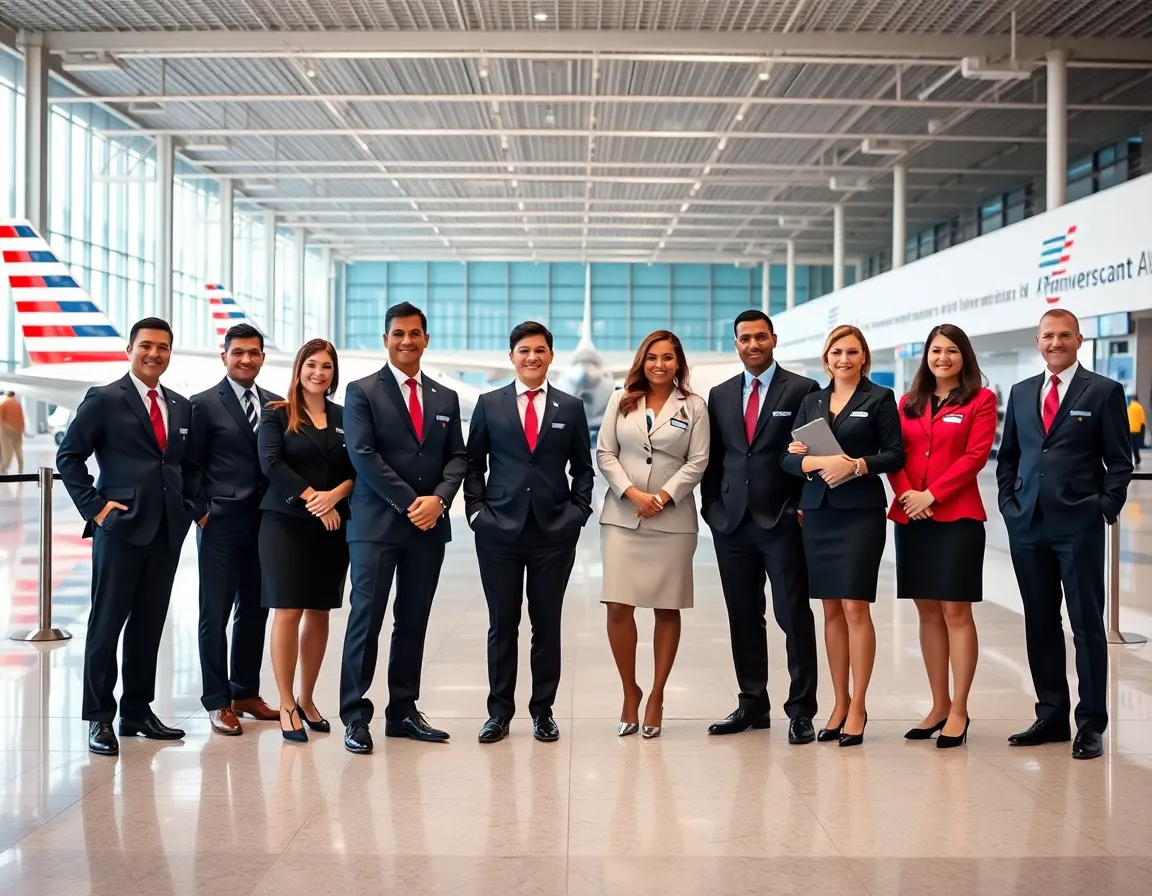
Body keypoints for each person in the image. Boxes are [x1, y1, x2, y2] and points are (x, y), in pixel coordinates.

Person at [56, 318, 199, 756]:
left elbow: (184, 465)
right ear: (130, 349)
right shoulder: (104, 399)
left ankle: (137, 711)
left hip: (166, 530)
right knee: (106, 623)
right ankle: (100, 717)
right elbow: (69, 457)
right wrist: (96, 508)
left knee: (149, 624)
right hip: (119, 529)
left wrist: (188, 507)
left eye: (163, 347)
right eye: (146, 346)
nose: (154, 354)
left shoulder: (180, 404)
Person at [996, 309, 1132, 760]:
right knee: (1040, 621)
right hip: (1027, 524)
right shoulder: (1020, 393)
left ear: (1079, 339)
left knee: (1086, 625)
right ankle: (1051, 714)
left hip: (1078, 526)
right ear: (1038, 340)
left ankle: (1090, 723)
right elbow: (1009, 456)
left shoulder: (1103, 391)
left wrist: (1106, 506)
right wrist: (1009, 505)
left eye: (1064, 335)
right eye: (1048, 335)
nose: (1056, 342)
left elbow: (1120, 459)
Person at [339, 302, 466, 754]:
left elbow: (458, 457)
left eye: (415, 333)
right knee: (366, 621)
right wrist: (415, 502)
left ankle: (403, 711)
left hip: (427, 528)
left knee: (413, 621)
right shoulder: (361, 392)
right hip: (376, 525)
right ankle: (355, 715)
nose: (407, 341)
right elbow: (363, 454)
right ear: (386, 339)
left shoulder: (444, 397)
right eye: (398, 334)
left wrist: (441, 499)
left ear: (426, 339)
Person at [465, 321, 595, 744]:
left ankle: (543, 711)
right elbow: (473, 465)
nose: (532, 357)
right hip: (497, 529)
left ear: (551, 356)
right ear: (512, 357)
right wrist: (475, 513)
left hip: (553, 530)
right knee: (502, 625)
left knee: (546, 624)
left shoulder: (570, 407)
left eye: (540, 350)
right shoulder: (489, 403)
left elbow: (583, 467)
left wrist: (577, 512)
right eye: (524, 350)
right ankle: (499, 712)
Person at [700, 310, 820, 744]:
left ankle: (801, 709)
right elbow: (715, 457)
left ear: (773, 340)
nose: (752, 344)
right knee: (743, 616)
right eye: (744, 338)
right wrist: (711, 507)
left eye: (759, 337)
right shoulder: (720, 394)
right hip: (731, 523)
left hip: (782, 519)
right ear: (736, 344)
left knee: (793, 615)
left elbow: (814, 452)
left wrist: (801, 506)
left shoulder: (803, 389)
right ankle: (753, 703)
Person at [783, 325, 904, 747]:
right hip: (817, 513)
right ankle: (838, 701)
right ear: (826, 357)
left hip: (858, 514)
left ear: (864, 357)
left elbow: (894, 453)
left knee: (855, 607)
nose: (844, 359)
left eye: (852, 352)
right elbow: (787, 457)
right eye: (837, 352)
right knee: (830, 610)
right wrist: (801, 461)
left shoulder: (879, 399)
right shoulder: (811, 400)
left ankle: (859, 705)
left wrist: (854, 465)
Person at [595, 330, 709, 738]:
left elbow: (698, 461)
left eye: (668, 357)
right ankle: (631, 691)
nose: (659, 364)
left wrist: (661, 496)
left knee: (666, 606)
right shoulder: (620, 399)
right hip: (623, 516)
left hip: (671, 520)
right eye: (652, 357)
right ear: (642, 361)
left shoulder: (694, 406)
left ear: (679, 363)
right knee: (618, 607)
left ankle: (658, 694)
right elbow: (605, 452)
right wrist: (630, 492)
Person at [887, 324, 997, 749]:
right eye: (936, 350)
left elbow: (976, 456)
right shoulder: (908, 403)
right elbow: (896, 453)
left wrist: (932, 493)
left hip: (958, 517)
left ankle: (960, 710)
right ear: (926, 357)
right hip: (913, 518)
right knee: (927, 611)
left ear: (964, 356)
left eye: (952, 351)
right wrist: (908, 496)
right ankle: (937, 704)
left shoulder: (981, 400)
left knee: (956, 612)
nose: (943, 358)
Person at [258, 339, 354, 743]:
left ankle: (308, 698)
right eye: (312, 365)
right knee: (288, 610)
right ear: (299, 369)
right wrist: (317, 499)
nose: (319, 372)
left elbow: (357, 467)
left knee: (320, 611)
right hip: (286, 522)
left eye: (327, 367)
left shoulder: (345, 416)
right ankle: (284, 702)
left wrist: (337, 494)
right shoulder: (277, 414)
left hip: (333, 525)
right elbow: (272, 463)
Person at [189, 323, 282, 736]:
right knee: (215, 612)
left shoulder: (277, 405)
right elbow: (187, 464)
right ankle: (217, 700)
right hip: (221, 523)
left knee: (255, 611)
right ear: (223, 355)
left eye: (254, 353)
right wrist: (201, 511)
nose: (247, 359)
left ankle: (245, 691)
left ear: (263, 357)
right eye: (238, 352)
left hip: (265, 523)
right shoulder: (203, 404)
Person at [0, 390, 24, 474]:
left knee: (7, 452)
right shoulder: (18, 404)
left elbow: (1, 419)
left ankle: (3, 469)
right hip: (17, 431)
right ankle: (20, 470)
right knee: (19, 451)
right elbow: (22, 419)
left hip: (6, 432)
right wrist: (21, 430)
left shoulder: (4, 403)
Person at [1128, 395, 1145, 467]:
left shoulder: (1129, 408)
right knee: (1136, 446)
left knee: (1132, 446)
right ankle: (1137, 460)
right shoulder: (1140, 407)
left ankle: (1134, 460)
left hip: (1130, 429)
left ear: (1132, 400)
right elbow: (1143, 419)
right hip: (1138, 429)